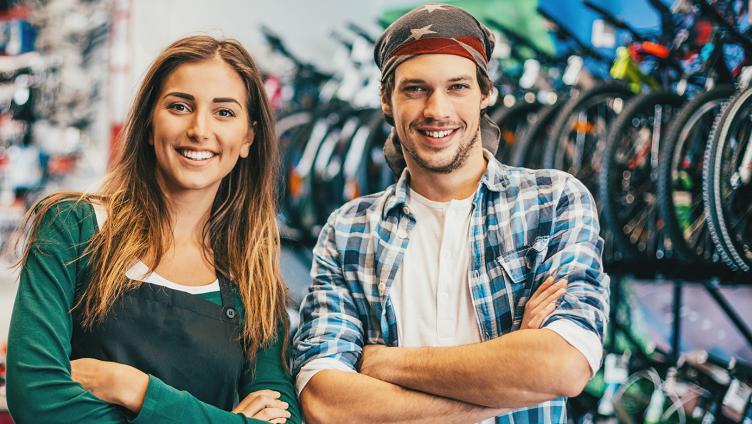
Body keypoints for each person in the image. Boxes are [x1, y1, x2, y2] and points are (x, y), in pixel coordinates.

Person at [293, 5, 609, 423]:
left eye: (457, 87)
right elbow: (326, 404)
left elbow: (563, 367)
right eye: (415, 89)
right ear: (386, 100)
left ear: (485, 93)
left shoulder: (553, 202)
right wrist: (513, 376)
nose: (437, 110)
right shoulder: (349, 231)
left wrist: (385, 363)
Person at [6, 35, 301, 424]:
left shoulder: (253, 276)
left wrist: (132, 387)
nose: (200, 129)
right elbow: (37, 399)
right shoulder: (73, 227)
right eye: (180, 106)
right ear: (148, 123)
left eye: (224, 113)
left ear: (248, 138)